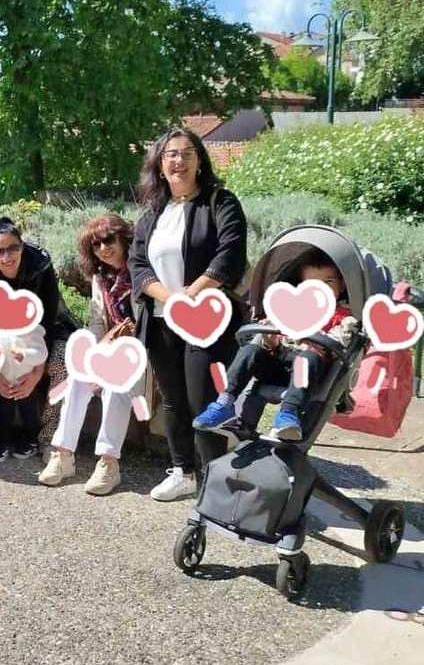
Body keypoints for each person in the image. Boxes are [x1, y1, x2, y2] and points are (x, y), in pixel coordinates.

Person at [129, 127, 248, 502]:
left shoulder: (220, 202)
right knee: (173, 401)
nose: (178, 161)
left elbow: (230, 253)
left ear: (199, 161)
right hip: (161, 321)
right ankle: (183, 472)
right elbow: (137, 264)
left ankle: (216, 478)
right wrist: (170, 299)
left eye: (186, 153)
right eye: (171, 155)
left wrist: (191, 295)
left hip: (205, 322)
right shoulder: (152, 214)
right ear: (159, 165)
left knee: (203, 400)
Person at [194, 248, 357, 443]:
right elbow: (269, 338)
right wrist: (270, 337)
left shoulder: (343, 317)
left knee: (307, 358)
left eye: (328, 282)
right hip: (278, 365)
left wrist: (308, 336)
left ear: (342, 285)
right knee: (251, 350)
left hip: (311, 373)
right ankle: (224, 402)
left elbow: (338, 344)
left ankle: (288, 414)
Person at [0, 218, 76, 461]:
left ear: (22, 245)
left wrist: (36, 370)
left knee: (64, 360)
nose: (7, 257)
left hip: (43, 334)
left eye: (13, 248)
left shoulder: (41, 266)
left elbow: (48, 320)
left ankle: (51, 438)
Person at [40, 214, 137, 495]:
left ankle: (109, 461)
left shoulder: (141, 271)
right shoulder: (101, 278)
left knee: (116, 384)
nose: (104, 249)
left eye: (109, 240)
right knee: (78, 378)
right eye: (96, 245)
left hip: (142, 353)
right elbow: (97, 322)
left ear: (123, 239)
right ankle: (63, 454)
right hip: (111, 348)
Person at [0, 324, 48, 462]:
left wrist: (25, 355)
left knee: (29, 412)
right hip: (4, 381)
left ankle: (32, 440)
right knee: (4, 413)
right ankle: (3, 441)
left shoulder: (34, 330)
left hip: (26, 382)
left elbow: (41, 353)